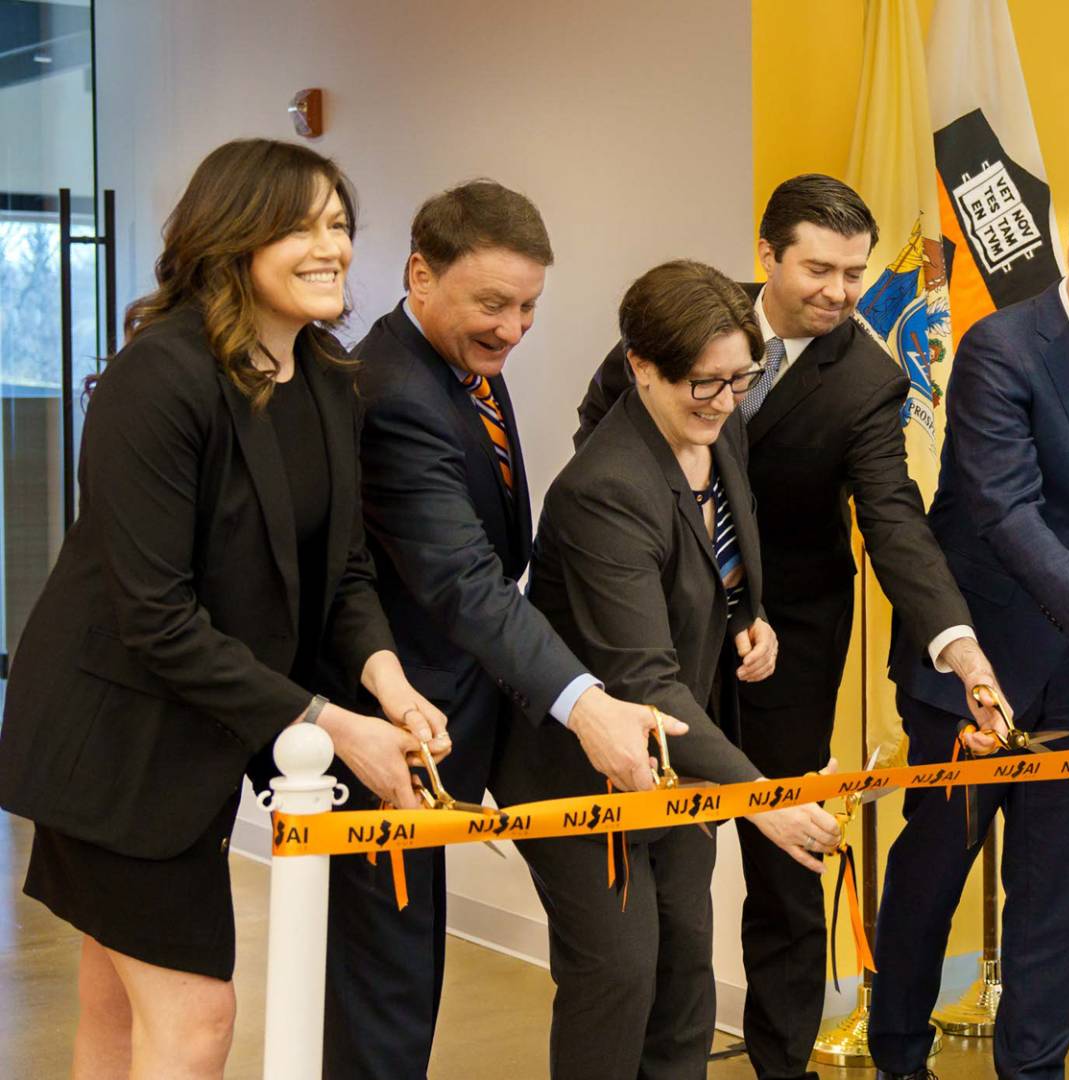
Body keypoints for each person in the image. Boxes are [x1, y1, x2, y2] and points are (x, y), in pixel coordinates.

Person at [0, 138, 445, 1079]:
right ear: (233, 237)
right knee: (197, 1018)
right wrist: (336, 726)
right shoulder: (158, 377)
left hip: (194, 743)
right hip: (111, 745)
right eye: (301, 225)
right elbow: (154, 616)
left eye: (339, 224)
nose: (331, 247)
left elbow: (346, 572)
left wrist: (389, 687)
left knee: (117, 1010)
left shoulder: (329, 378)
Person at [574, 174, 1006, 1079]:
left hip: (792, 650)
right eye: (820, 268)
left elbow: (893, 521)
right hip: (667, 635)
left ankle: (782, 1062)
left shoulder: (869, 381)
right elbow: (606, 456)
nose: (842, 292)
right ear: (766, 254)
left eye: (855, 272)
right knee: (669, 864)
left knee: (786, 858)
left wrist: (955, 643)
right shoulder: (674, 330)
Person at [323, 180, 689, 1078]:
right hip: (395, 722)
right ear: (420, 273)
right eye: (492, 303)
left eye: (529, 305)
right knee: (388, 994)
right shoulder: (396, 393)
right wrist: (583, 700)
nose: (513, 328)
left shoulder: (460, 370)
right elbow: (464, 583)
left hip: (464, 709)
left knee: (408, 977)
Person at [870, 182, 1069, 1080]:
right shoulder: (999, 347)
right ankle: (898, 1055)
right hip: (976, 662)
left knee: (1052, 889)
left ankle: (1033, 1070)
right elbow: (1005, 513)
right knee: (935, 868)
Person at [498, 259, 842, 1079]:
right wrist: (765, 799)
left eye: (741, 380)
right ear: (641, 367)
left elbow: (715, 567)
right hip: (585, 776)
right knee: (618, 976)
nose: (726, 402)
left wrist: (747, 617)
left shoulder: (720, 433)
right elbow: (645, 679)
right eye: (704, 384)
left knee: (685, 976)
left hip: (679, 763)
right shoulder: (604, 492)